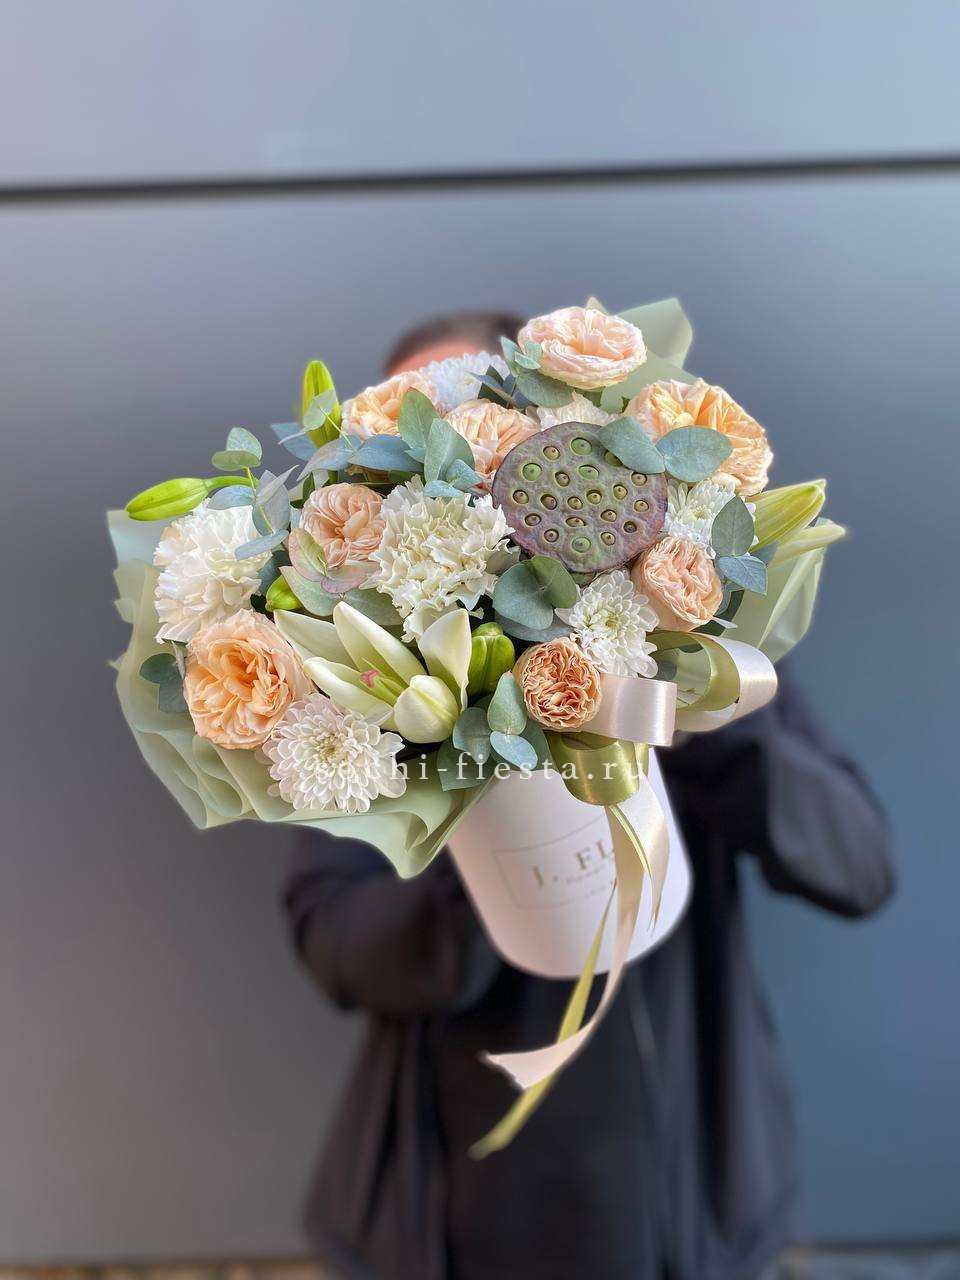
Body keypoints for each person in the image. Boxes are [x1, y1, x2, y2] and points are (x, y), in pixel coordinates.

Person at [283, 312, 895, 1280]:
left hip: (691, 1199)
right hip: (445, 1215)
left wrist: (672, 695)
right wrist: (484, 815)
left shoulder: (690, 647)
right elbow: (336, 944)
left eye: (463, 421)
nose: (432, 458)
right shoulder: (354, 695)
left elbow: (858, 865)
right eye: (396, 434)